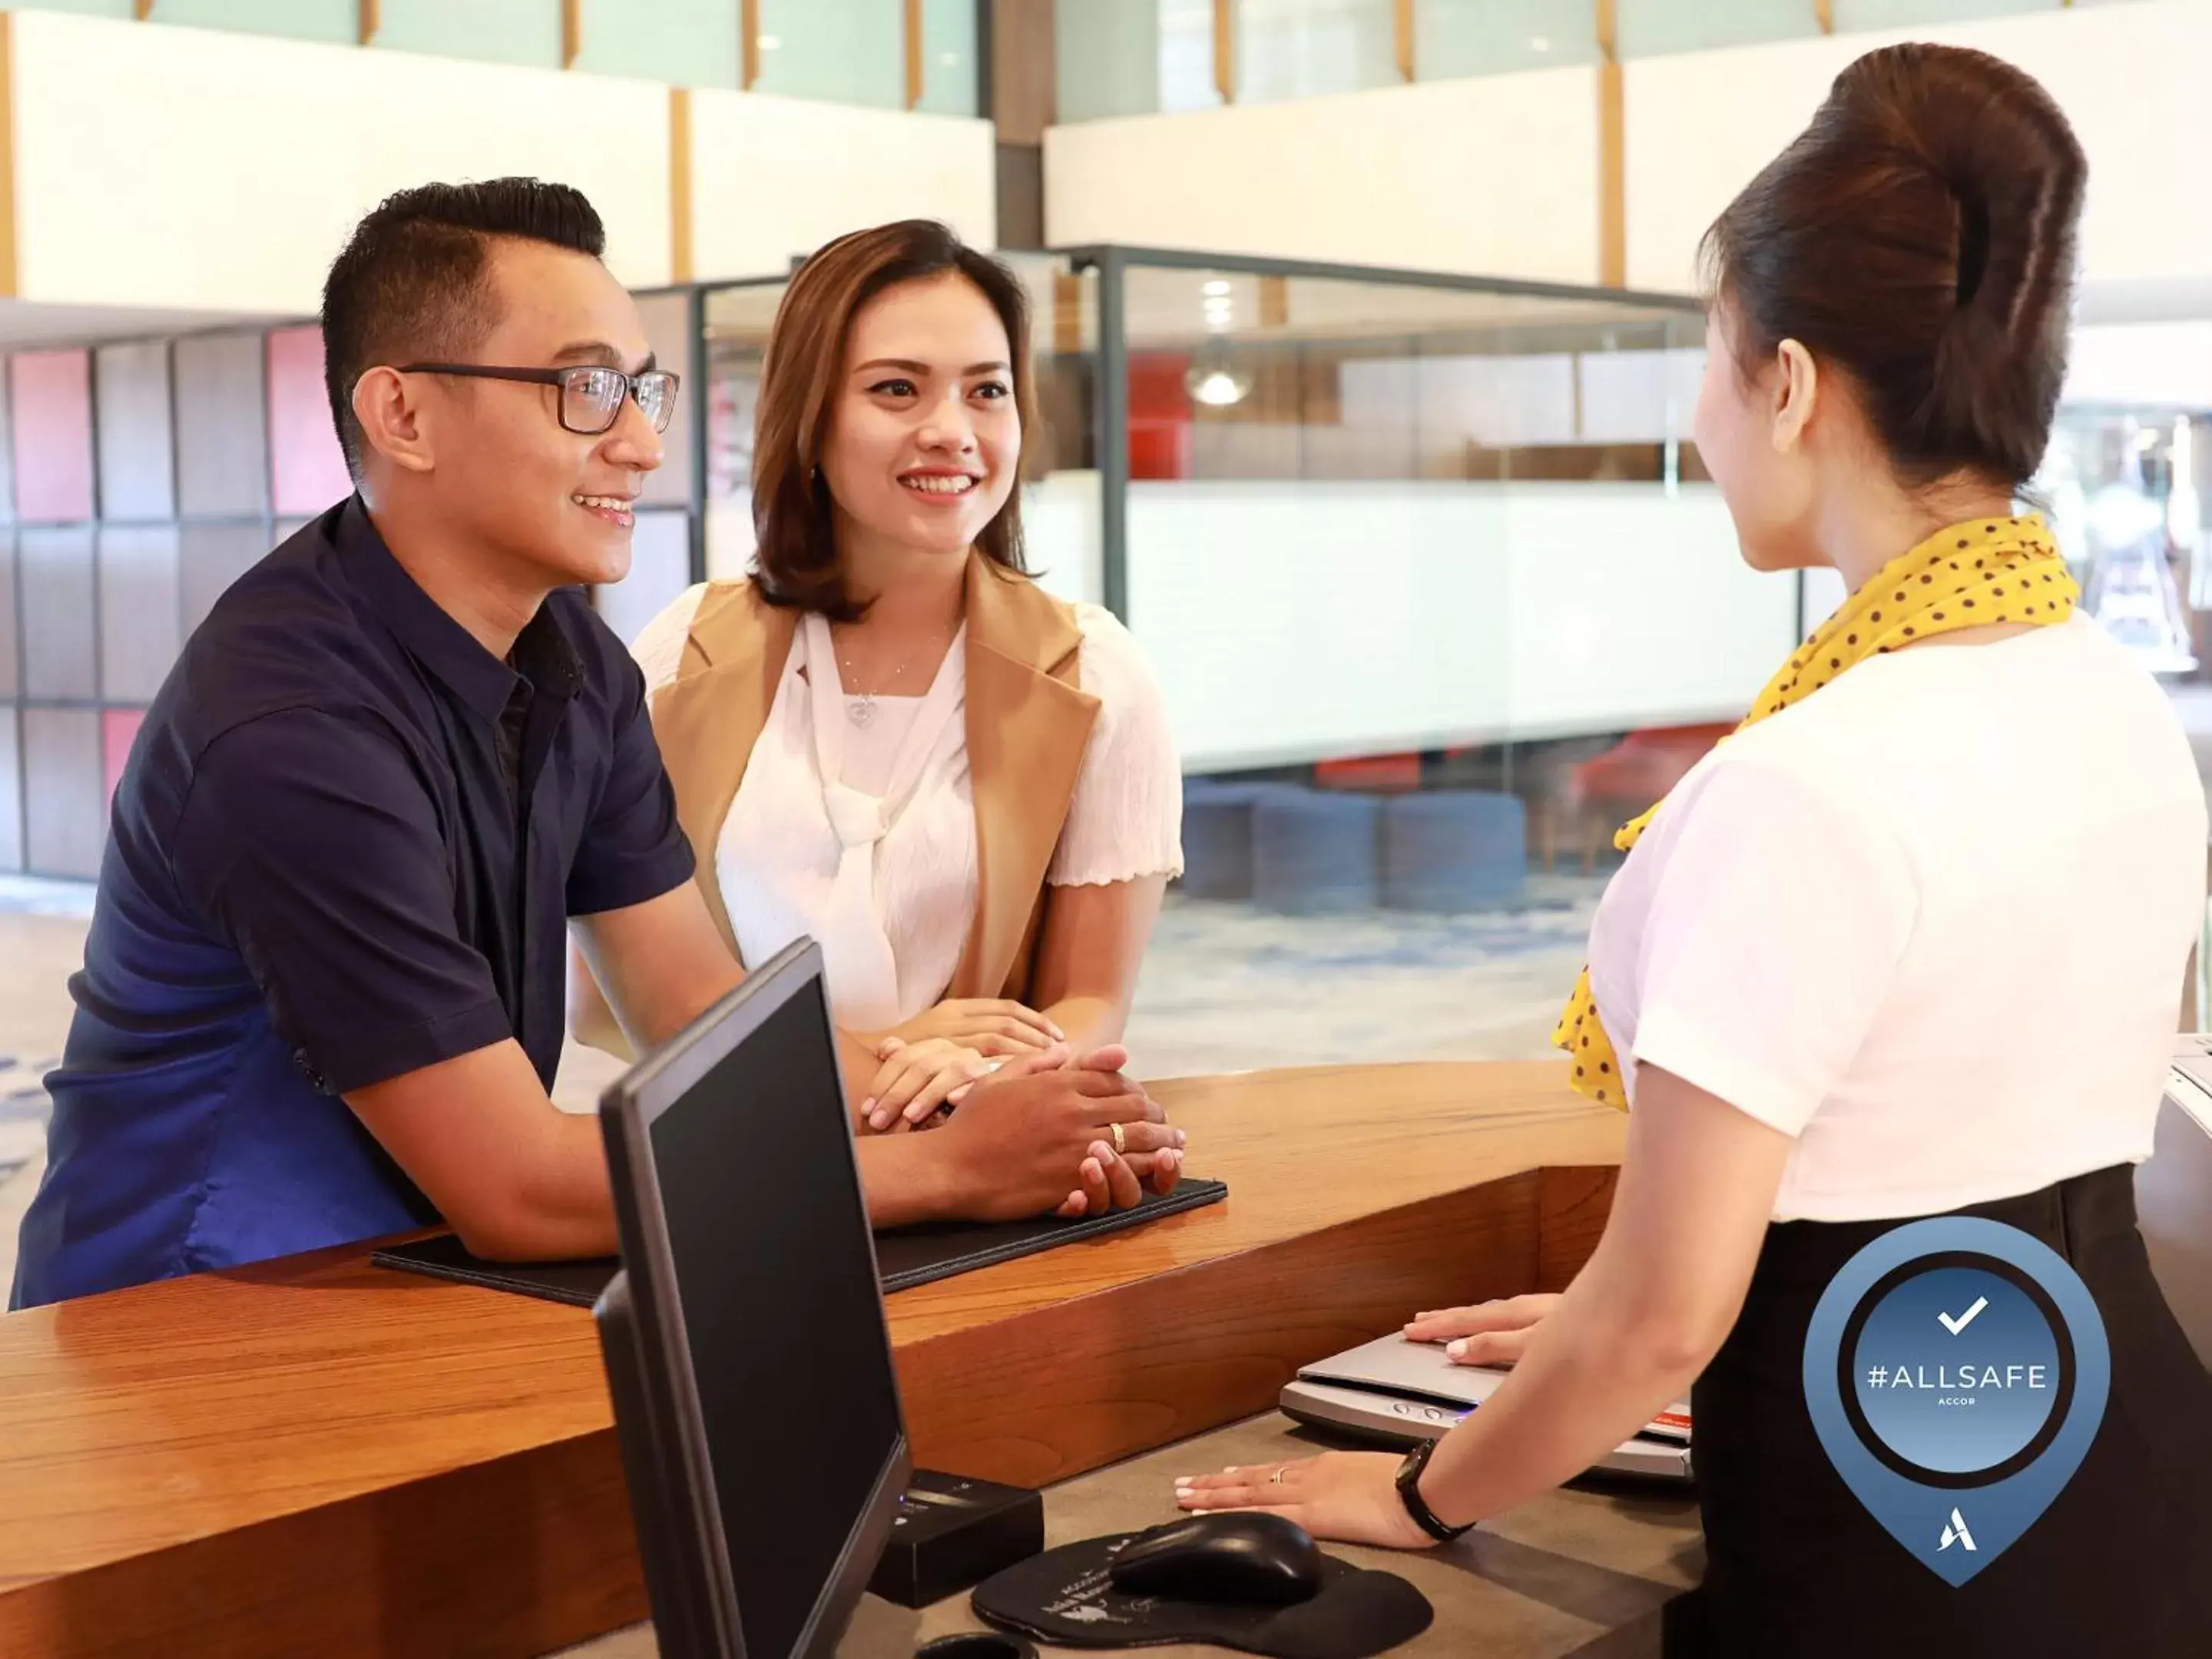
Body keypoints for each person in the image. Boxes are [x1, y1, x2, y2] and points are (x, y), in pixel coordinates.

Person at [1176, 45, 2212, 1655]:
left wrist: (1423, 1493)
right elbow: (1937, 1152)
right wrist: (1639, 1324)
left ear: (1788, 383)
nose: (1701, 410)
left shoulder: (1813, 777)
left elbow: (1666, 1313)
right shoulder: (2108, 697)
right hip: (2115, 1471)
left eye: (1708, 355)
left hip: (1892, 1549)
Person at [10, 180, 1181, 1312]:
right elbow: (519, 1188)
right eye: (581, 389)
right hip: (199, 1307)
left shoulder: (572, 659)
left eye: (639, 391)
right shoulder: (290, 735)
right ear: (402, 414)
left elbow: (696, 1012)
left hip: (426, 1278)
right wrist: (951, 1169)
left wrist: (1005, 1107)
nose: (636, 445)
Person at [570, 220, 1184, 1132]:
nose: (951, 432)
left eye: (988, 392)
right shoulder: (681, 654)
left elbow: (1088, 1011)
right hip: (725, 1159)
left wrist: (965, 1067)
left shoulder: (1093, 674)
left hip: (975, 1162)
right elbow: (605, 1004)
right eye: (897, 389)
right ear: (811, 417)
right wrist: (894, 1055)